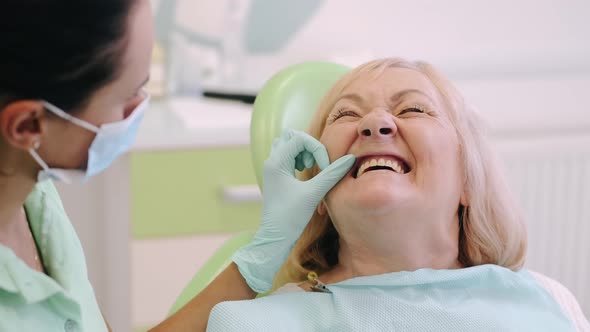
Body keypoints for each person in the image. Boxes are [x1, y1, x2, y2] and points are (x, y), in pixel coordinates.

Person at [0, 1, 354, 331]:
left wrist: (261, 258)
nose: (380, 125)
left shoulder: (31, 189)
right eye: (127, 97)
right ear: (28, 127)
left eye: (410, 109)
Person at [205, 58, 590, 331]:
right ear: (315, 192)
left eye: (413, 109)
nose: (374, 123)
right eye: (346, 115)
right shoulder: (253, 324)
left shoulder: (549, 302)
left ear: (469, 180)